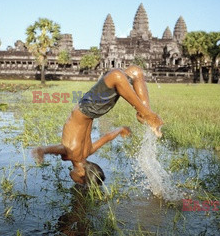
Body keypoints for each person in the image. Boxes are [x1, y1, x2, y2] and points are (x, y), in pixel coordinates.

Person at [31, 65, 164, 186]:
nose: (76, 182)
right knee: (116, 75)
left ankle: (145, 114)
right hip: (89, 107)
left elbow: (107, 137)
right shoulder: (71, 153)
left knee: (135, 72)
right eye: (80, 182)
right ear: (81, 173)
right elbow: (46, 149)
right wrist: (41, 151)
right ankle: (147, 114)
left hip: (98, 110)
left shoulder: (88, 152)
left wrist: (121, 129)